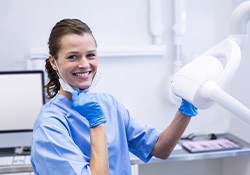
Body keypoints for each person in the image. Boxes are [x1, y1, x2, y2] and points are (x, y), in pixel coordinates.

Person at [31, 18, 198, 175]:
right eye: (72, 57)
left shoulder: (108, 104)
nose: (84, 64)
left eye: (90, 55)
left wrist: (186, 108)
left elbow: (160, 149)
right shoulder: (49, 124)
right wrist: (97, 124)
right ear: (53, 62)